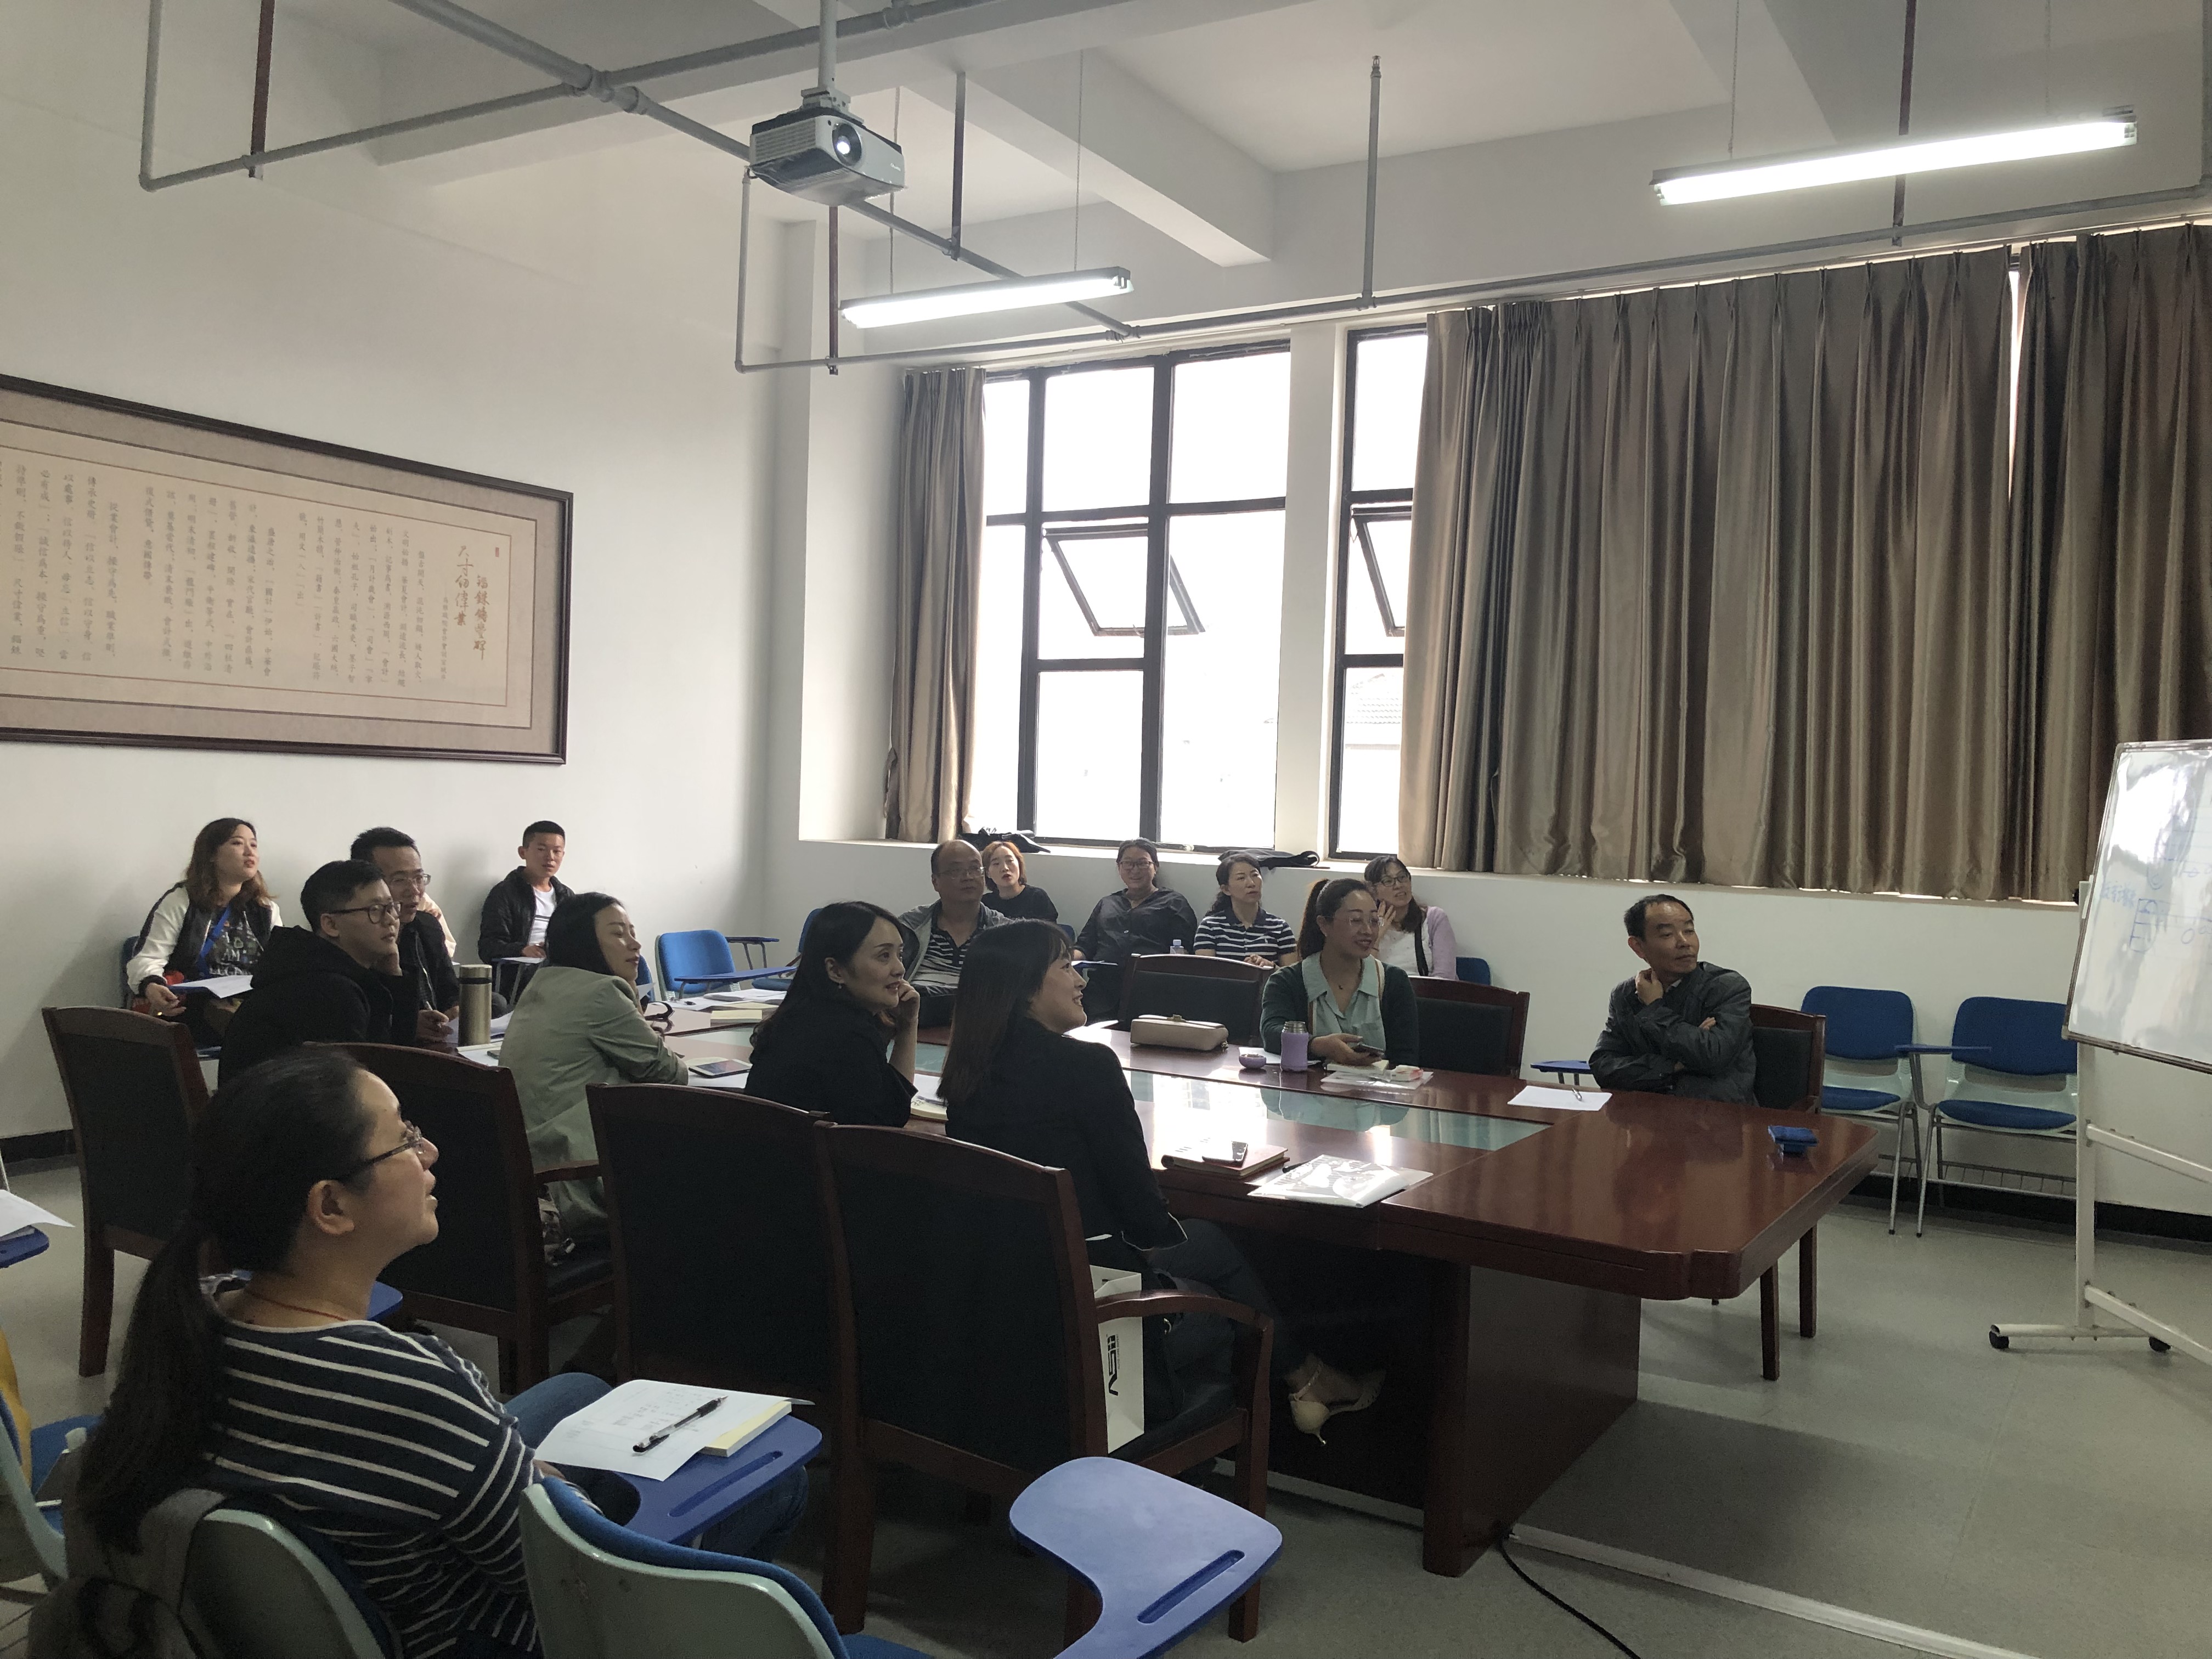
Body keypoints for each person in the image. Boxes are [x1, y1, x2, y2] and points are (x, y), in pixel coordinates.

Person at [66, 1047, 806, 1659]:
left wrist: (504, 1458)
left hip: (345, 1568)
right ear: (331, 1206)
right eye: (404, 1139)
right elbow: (559, 1579)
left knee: (579, 1391)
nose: (430, 1153)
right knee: (777, 1479)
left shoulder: (196, 1316)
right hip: (476, 1634)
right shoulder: (416, 1388)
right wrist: (550, 1490)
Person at [940, 922, 1381, 1439]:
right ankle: (1291, 1389)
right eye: (1065, 967)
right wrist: (1154, 1233)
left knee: (1206, 1241)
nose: (1081, 979)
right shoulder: (1086, 1065)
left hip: (1006, 1293)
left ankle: (1307, 1377)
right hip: (1091, 1299)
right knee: (1216, 1261)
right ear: (1025, 987)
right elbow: (1141, 1213)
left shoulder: (967, 1071)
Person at [498, 892, 685, 1238]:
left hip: (535, 1167)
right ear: (584, 941)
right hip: (581, 1178)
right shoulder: (602, 991)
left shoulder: (543, 981)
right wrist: (629, 990)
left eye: (632, 932)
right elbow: (673, 1076)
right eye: (618, 933)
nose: (635, 944)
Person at [217, 861, 422, 1084]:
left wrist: (394, 975)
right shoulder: (326, 990)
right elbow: (376, 1082)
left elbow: (397, 1059)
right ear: (331, 925)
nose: (391, 920)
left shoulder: (327, 970)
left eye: (391, 907)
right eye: (375, 910)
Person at [742, 901, 920, 1127]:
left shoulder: (796, 1017)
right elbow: (888, 1125)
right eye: (884, 956)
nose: (900, 969)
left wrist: (907, 1022)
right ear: (836, 970)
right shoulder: (849, 1036)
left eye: (900, 955)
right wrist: (909, 1027)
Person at [126, 817, 282, 1045]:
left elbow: (281, 966)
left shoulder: (265, 909)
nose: (250, 852)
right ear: (211, 855)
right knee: (256, 1031)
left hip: (249, 1002)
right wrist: (152, 986)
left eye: (254, 845)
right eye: (237, 843)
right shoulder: (182, 901)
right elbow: (147, 959)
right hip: (194, 1005)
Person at [1590, 894, 1755, 1102]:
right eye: (1667, 934)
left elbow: (1713, 1057)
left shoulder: (1726, 987)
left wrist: (1654, 1009)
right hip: (1645, 1113)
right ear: (1638, 946)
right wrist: (1675, 1065)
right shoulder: (1626, 995)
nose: (1684, 942)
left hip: (1715, 1114)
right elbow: (1603, 1066)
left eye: (1689, 931)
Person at [1260, 879, 1419, 1067]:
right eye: (1356, 920)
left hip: (1378, 1085)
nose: (1368, 931)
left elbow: (1406, 1058)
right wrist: (1317, 1045)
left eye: (1374, 921)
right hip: (1310, 1085)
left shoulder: (1394, 981)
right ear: (1324, 925)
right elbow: (1272, 1033)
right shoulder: (1287, 982)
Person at [352, 826, 458, 1047]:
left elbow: (450, 990)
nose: (415, 890)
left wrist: (456, 1009)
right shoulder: (357, 936)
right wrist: (403, 1023)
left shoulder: (427, 926)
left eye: (419, 878)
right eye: (399, 880)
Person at [1074, 838, 1199, 1020]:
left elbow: (1185, 951)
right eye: (1128, 864)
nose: (1135, 870)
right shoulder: (1107, 903)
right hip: (1101, 993)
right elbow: (1085, 946)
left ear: (1155, 867)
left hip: (1152, 992)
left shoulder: (1174, 902)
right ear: (1119, 867)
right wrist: (1063, 958)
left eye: (1142, 863)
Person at [896, 839, 1009, 1026]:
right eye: (956, 871)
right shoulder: (909, 927)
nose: (968, 877)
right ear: (936, 882)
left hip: (979, 1025)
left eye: (975, 869)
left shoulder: (1003, 931)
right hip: (913, 1022)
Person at [478, 820, 572, 963]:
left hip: (561, 968)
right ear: (523, 852)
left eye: (557, 851)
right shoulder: (505, 893)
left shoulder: (567, 897)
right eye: (541, 849)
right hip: (522, 971)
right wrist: (522, 950)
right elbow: (488, 947)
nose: (550, 857)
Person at [1193, 854, 1298, 967]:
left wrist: (1270, 967)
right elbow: (1205, 973)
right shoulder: (1210, 927)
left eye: (1255, 875)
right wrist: (1245, 971)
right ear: (1226, 889)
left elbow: (1292, 976)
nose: (1252, 883)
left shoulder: (1280, 927)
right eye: (1241, 878)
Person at [1363, 856, 1459, 979]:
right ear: (1373, 890)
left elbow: (1445, 977)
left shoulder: (1433, 918)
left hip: (1427, 990)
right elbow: (1362, 977)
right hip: (1382, 991)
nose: (1398, 885)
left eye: (1402, 877)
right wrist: (1378, 936)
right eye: (1388, 881)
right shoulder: (1365, 925)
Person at [981, 839, 1059, 922]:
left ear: (1019, 864)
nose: (1005, 868)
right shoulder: (985, 904)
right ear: (988, 873)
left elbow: (1050, 930)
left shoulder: (1037, 898)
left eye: (1010, 861)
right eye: (996, 863)